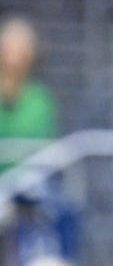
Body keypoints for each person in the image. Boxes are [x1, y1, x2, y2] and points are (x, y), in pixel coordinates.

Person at [0, 14, 58, 171]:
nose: (14, 60)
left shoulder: (40, 100)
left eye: (20, 52)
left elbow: (40, 148)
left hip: (27, 186)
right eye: (9, 51)